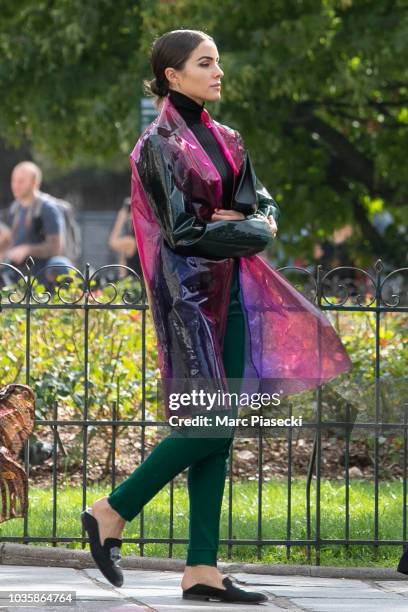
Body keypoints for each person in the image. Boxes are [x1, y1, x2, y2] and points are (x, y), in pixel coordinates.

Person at [81, 30, 352, 602]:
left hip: (232, 295)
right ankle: (113, 508)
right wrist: (249, 228)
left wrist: (258, 223)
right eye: (205, 63)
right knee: (210, 424)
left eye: (219, 62)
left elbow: (264, 204)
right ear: (172, 76)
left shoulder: (226, 137)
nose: (218, 71)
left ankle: (201, 568)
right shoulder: (156, 144)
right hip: (189, 301)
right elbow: (182, 234)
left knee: (217, 432)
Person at [0, 161, 73, 289]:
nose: (15, 186)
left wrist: (27, 249)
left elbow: (56, 248)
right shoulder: (14, 209)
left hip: (43, 273)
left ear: (35, 183)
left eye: (21, 181)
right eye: (14, 181)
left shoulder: (48, 208)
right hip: (20, 274)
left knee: (59, 264)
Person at [108, 197, 142, 279]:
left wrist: (120, 219)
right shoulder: (140, 237)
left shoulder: (132, 240)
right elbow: (122, 267)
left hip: (135, 284)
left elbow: (112, 243)